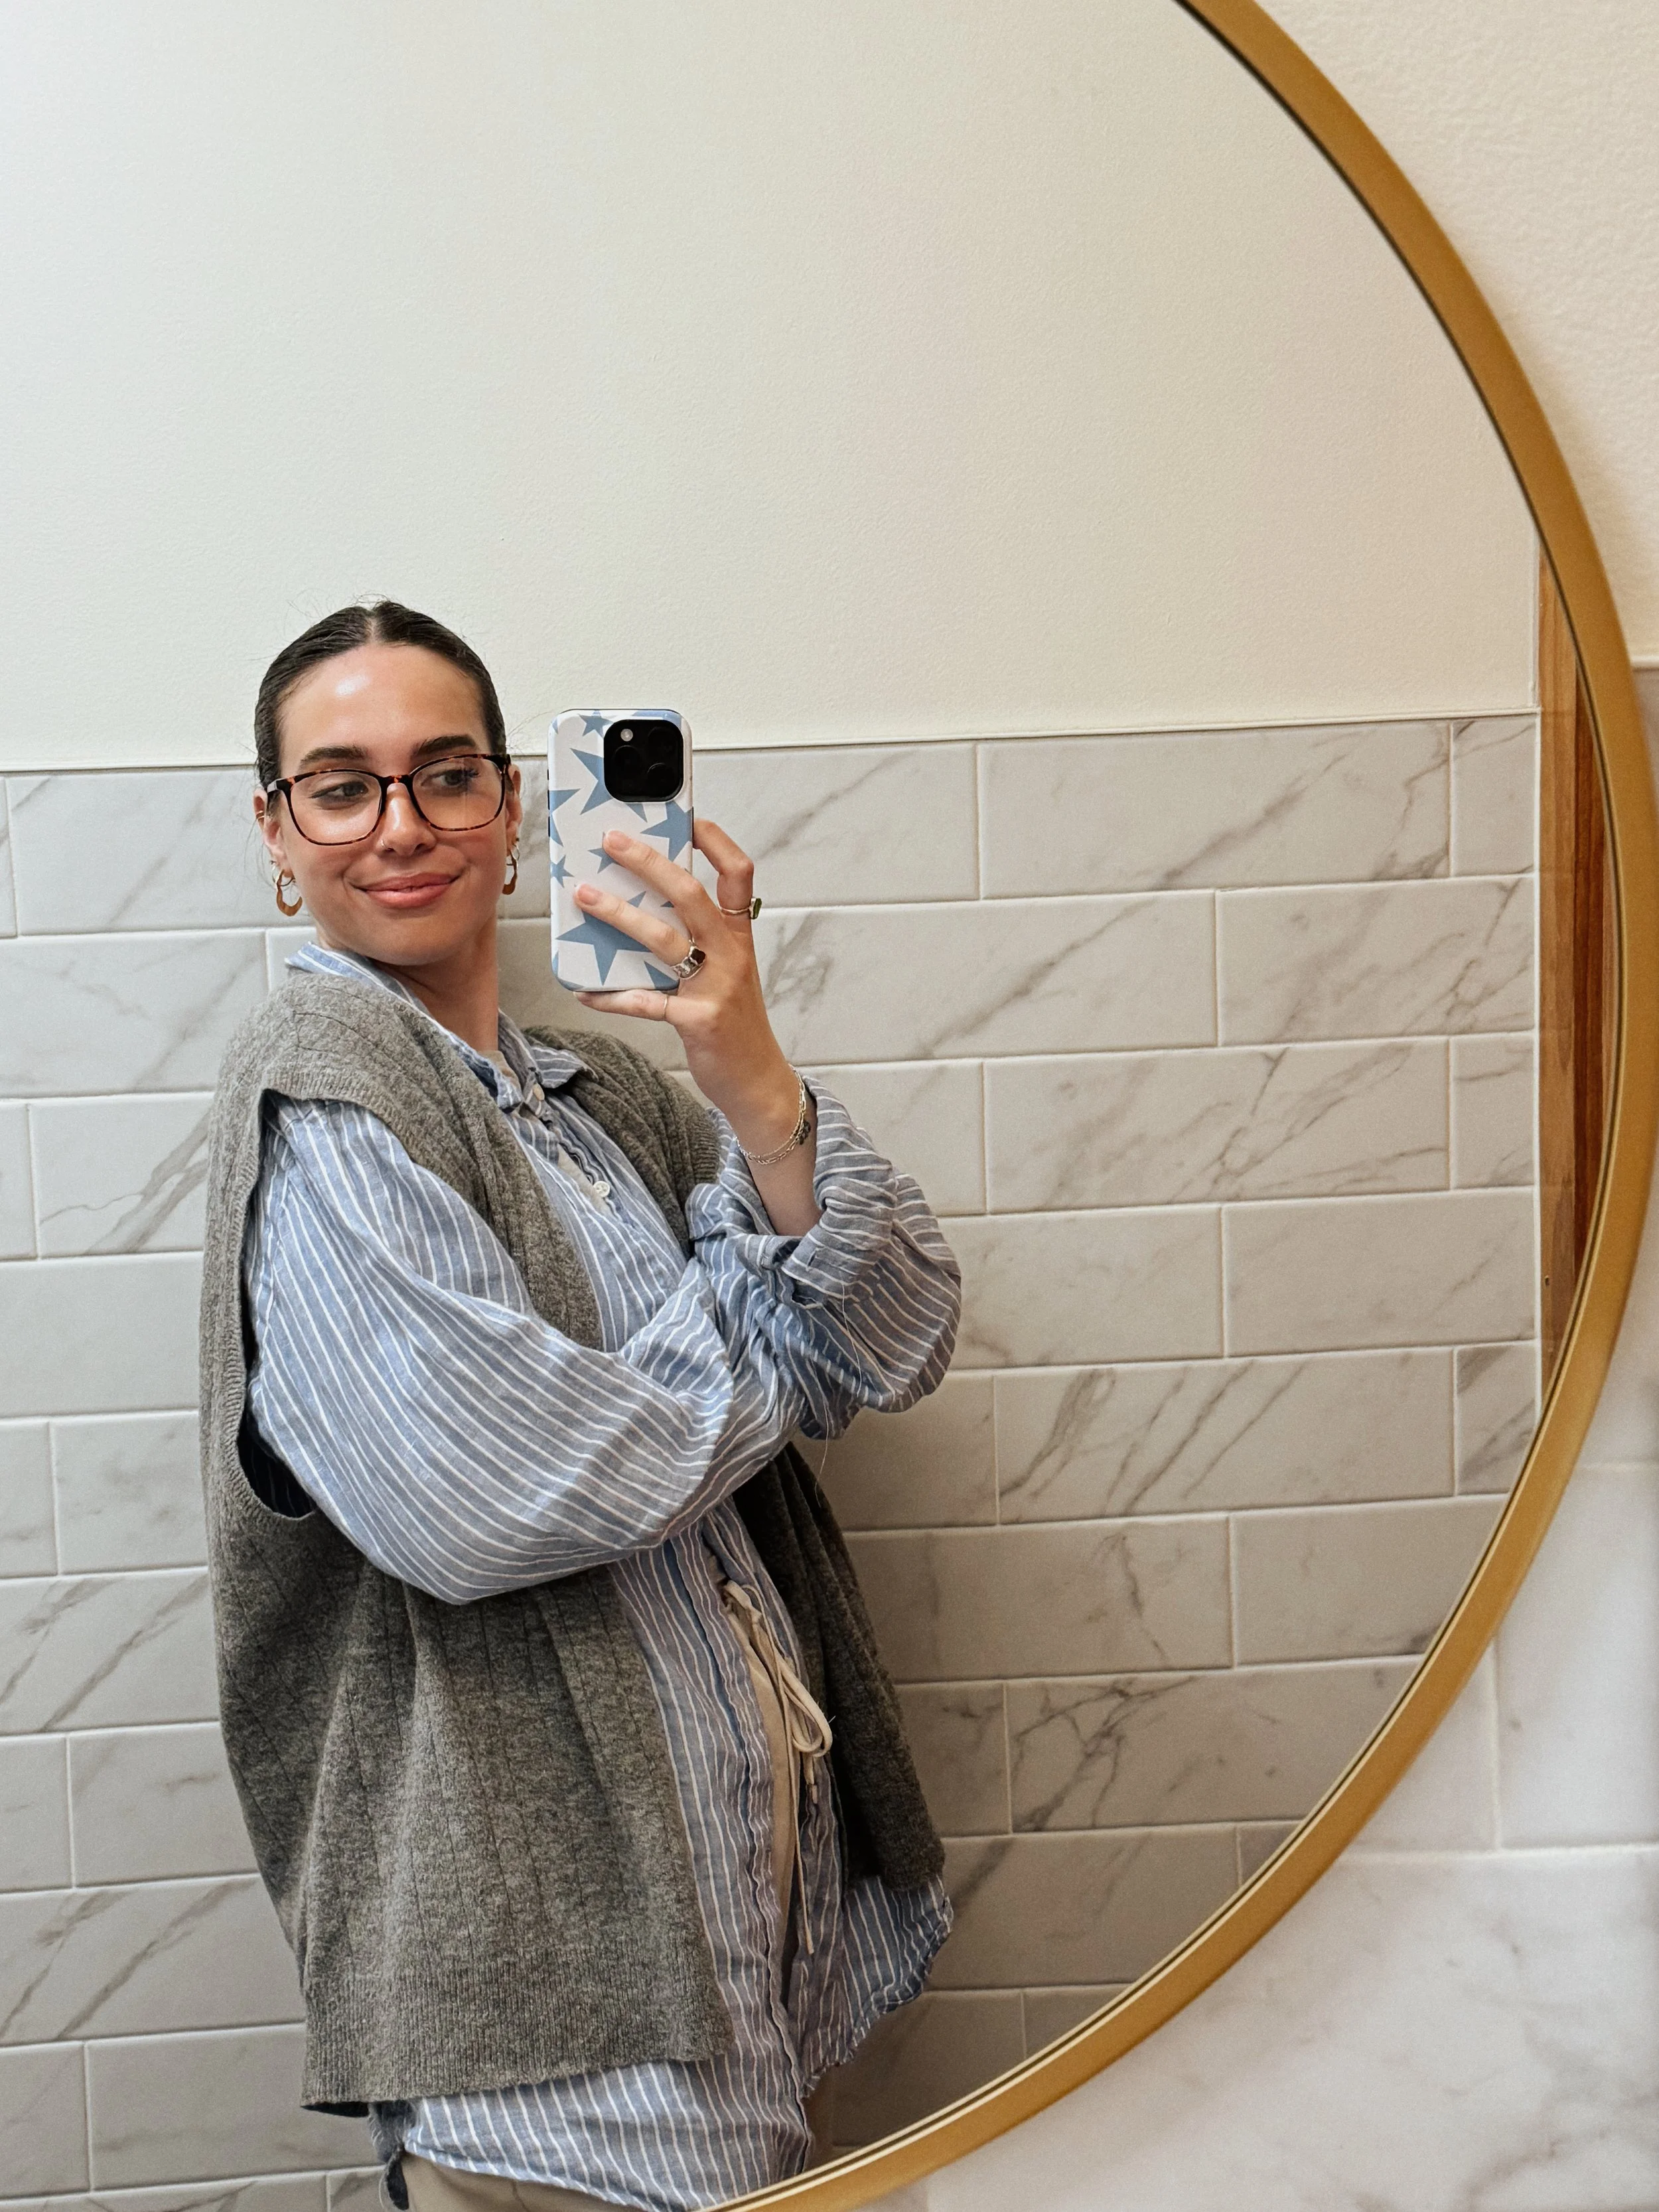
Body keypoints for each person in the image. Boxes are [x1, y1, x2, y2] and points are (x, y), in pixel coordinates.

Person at [198, 601, 961, 2212]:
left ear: (512, 808)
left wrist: (751, 1075)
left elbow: (893, 1337)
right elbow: (495, 1496)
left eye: (445, 774)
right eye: (340, 786)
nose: (400, 824)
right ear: (276, 834)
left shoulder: (602, 1096)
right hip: (559, 2039)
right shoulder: (321, 1090)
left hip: (742, 1982)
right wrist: (771, 1312)